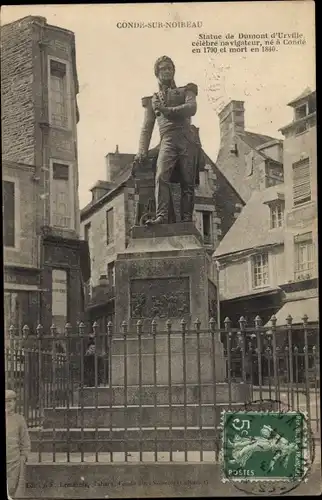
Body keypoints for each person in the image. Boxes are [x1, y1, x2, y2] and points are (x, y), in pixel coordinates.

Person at [135, 55, 203, 225]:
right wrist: (142, 150)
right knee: (161, 176)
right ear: (156, 73)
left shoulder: (186, 90)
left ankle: (187, 220)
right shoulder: (153, 100)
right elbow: (147, 127)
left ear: (174, 71)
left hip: (187, 138)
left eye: (169, 68)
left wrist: (166, 110)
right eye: (162, 69)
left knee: (187, 183)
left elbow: (191, 108)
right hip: (168, 140)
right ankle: (162, 216)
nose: (166, 71)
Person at [6, 390, 31, 499]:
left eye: (10, 401)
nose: (7, 404)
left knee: (12, 490)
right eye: (4, 401)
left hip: (14, 462)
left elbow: (25, 441)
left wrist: (23, 457)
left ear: (15, 402)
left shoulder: (19, 419)